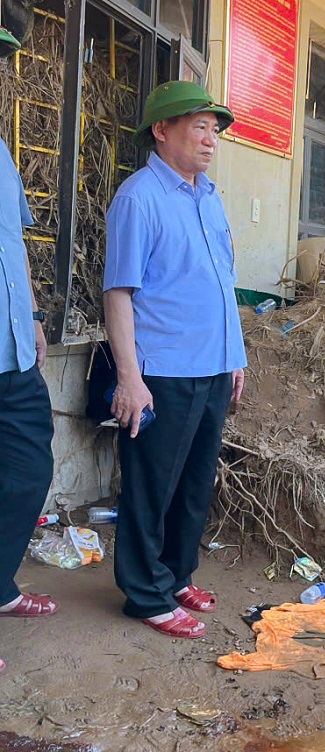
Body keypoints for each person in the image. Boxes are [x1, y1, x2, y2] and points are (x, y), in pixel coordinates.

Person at [104, 80, 247, 639]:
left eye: (215, 129)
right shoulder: (139, 198)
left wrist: (235, 356)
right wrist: (129, 379)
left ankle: (175, 573)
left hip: (212, 366)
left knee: (194, 482)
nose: (210, 139)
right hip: (163, 370)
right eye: (198, 126)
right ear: (161, 131)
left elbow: (223, 283)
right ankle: (144, 593)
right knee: (151, 484)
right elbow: (119, 294)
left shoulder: (208, 196)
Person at [0, 21, 58, 674]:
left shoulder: (0, 151)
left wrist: (36, 316)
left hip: (13, 353)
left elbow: (15, 247)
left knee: (27, 474)